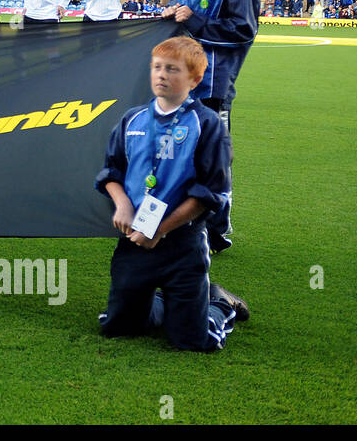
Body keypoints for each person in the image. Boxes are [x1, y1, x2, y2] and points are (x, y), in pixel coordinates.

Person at [95, 36, 249, 351]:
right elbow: (111, 172)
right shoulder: (132, 119)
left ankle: (220, 304)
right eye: (157, 67)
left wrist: (161, 229)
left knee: (192, 342)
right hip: (136, 239)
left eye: (172, 69)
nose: (162, 75)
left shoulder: (207, 125)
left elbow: (209, 193)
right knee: (118, 328)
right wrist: (122, 205)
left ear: (194, 79)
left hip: (183, 243)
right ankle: (166, 299)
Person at [162, 0, 260, 253]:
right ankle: (180, 220)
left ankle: (216, 230)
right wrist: (172, 18)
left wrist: (197, 21)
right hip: (180, 86)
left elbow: (244, 32)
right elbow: (187, 23)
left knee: (211, 158)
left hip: (212, 89)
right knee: (176, 153)